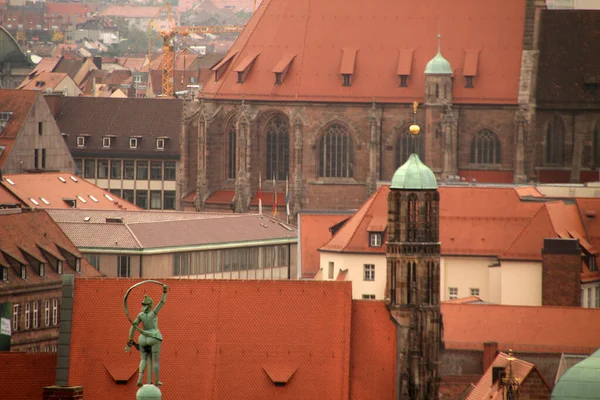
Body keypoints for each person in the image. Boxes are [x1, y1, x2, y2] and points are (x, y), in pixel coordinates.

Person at [125, 284, 168, 386]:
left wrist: (130, 340)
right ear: (150, 305)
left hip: (143, 339)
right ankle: (157, 381)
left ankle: (140, 379)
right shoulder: (153, 313)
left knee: (143, 359)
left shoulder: (140, 315)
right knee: (156, 361)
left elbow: (133, 327)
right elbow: (162, 302)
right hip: (153, 337)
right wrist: (165, 292)